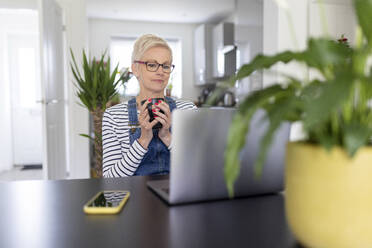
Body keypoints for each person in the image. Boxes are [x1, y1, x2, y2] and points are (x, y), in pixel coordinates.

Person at [102, 34, 196, 177]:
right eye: (152, 65)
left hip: (178, 195)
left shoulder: (187, 110)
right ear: (135, 69)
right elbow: (111, 178)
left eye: (166, 66)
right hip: (134, 196)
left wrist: (167, 136)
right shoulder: (113, 116)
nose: (160, 72)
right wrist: (143, 140)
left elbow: (196, 168)